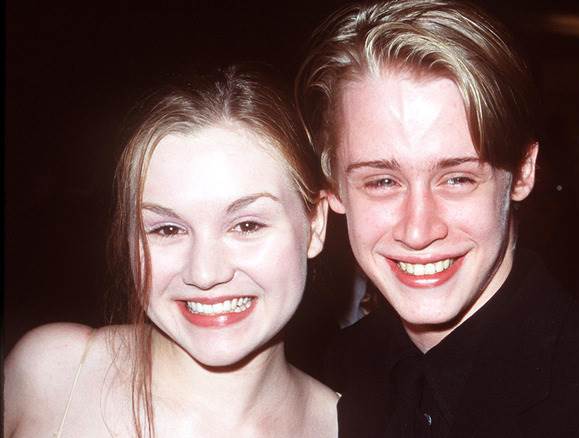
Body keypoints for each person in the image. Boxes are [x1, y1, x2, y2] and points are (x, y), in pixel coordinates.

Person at [295, 0, 579, 436]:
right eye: (382, 182)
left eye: (458, 178)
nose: (418, 229)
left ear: (523, 172)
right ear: (334, 188)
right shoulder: (333, 376)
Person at [4, 66, 338, 438]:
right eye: (168, 229)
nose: (205, 273)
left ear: (316, 225)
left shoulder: (359, 426)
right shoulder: (55, 373)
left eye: (246, 226)